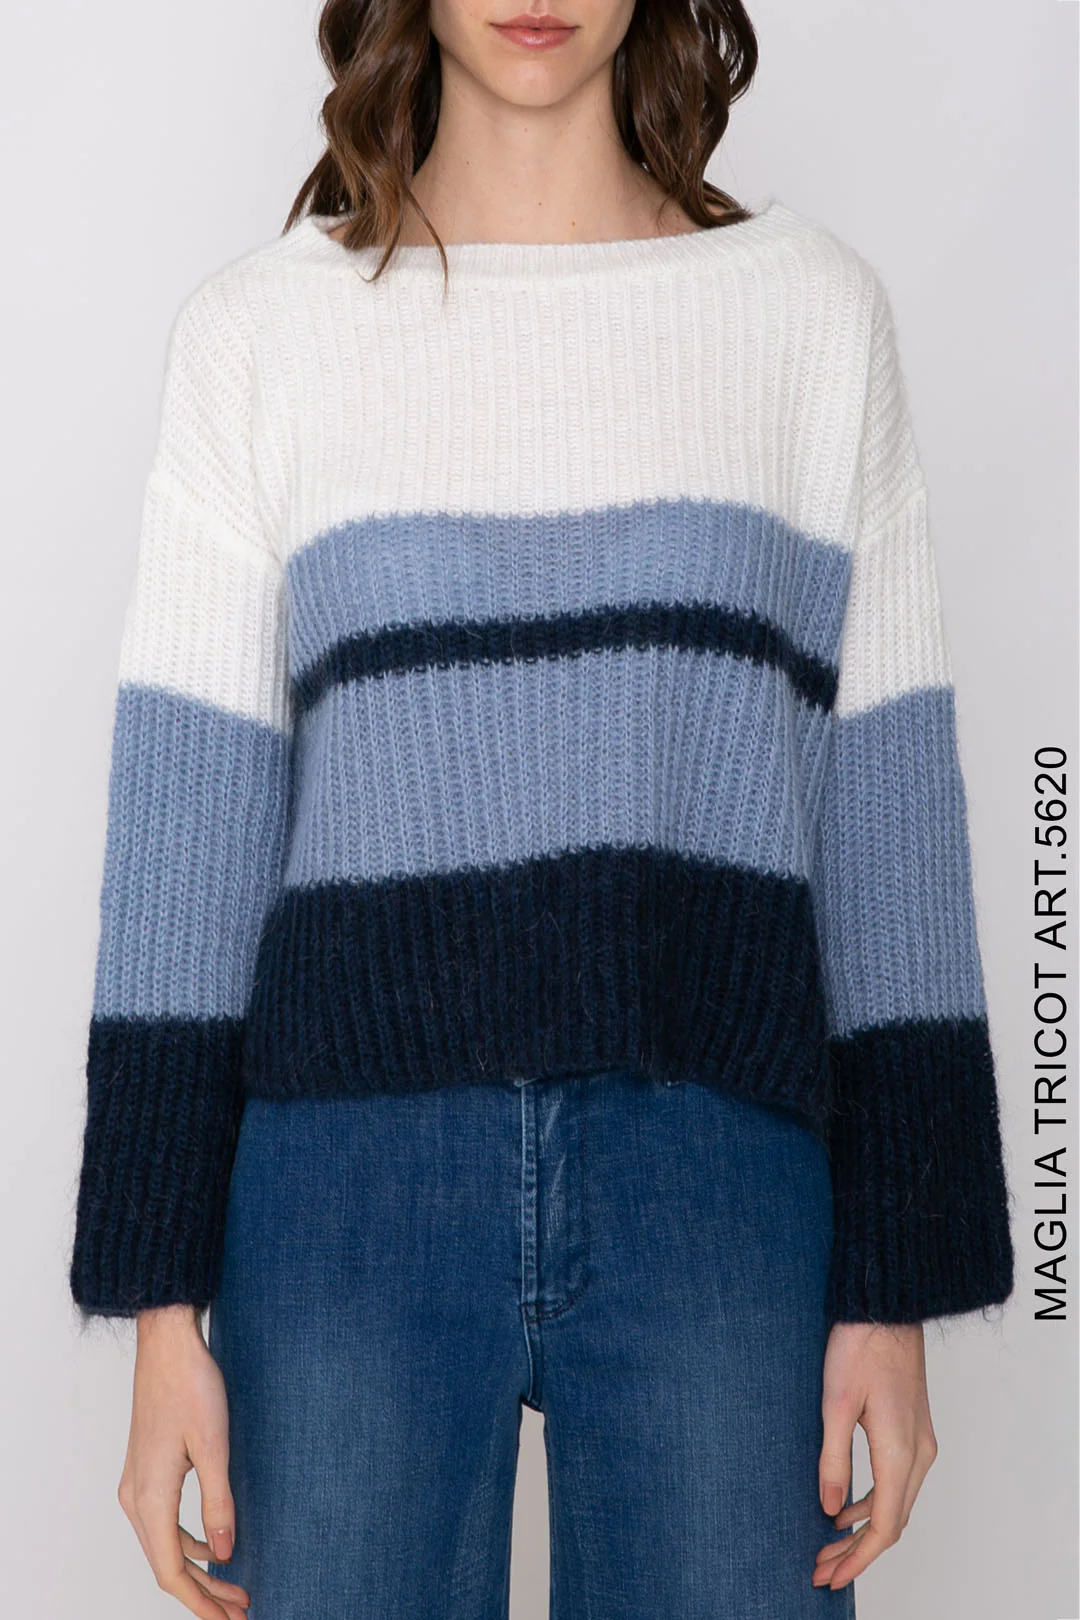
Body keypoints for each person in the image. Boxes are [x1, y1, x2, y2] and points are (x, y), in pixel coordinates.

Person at [67, 0, 1015, 1614]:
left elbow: (886, 807)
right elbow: (188, 830)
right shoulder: (264, 333)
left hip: (714, 1173)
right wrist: (163, 1314)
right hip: (347, 1191)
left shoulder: (807, 317)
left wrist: (897, 1285)